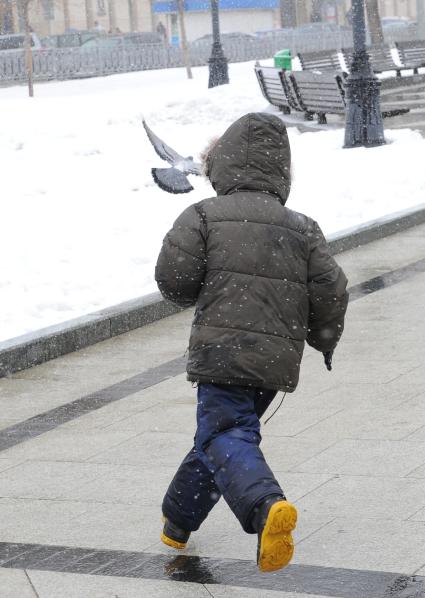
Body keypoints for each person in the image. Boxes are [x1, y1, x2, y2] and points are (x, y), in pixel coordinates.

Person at [155, 112, 348, 573]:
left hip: (220, 351)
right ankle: (177, 520)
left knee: (225, 433)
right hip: (275, 360)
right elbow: (331, 291)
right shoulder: (302, 227)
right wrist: (322, 339)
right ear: (280, 171)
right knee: (224, 433)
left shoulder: (203, 214)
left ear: (221, 165)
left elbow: (174, 279)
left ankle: (266, 507)